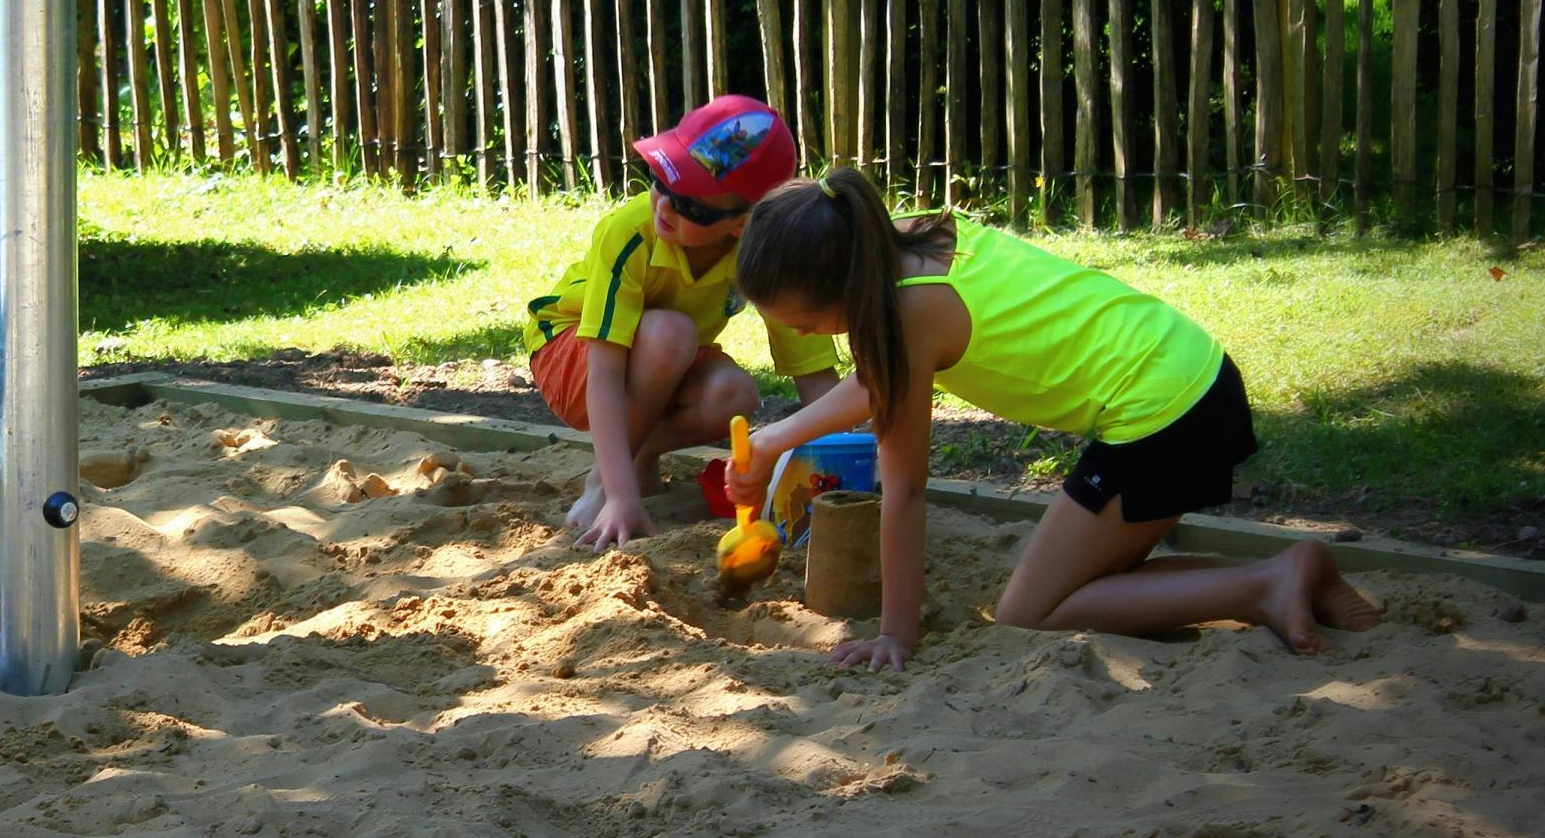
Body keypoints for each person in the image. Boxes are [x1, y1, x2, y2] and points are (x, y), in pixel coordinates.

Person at [731, 167, 1380, 668]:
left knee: (1032, 610)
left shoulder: (907, 318)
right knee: (1081, 582)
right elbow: (881, 384)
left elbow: (902, 488)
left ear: (846, 287)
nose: (805, 335)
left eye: (806, 324)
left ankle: (1264, 583)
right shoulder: (892, 235)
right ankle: (1283, 578)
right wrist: (775, 438)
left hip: (1167, 418)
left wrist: (895, 632)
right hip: (1190, 373)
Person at [524, 96, 842, 551]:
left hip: (667, 358)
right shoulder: (631, 231)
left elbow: (814, 376)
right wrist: (615, 493)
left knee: (734, 396)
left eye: (691, 206)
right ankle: (606, 477)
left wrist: (847, 467)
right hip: (571, 349)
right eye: (660, 179)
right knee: (669, 334)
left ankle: (640, 456)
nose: (664, 207)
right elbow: (607, 371)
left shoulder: (762, 254)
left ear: (741, 225)